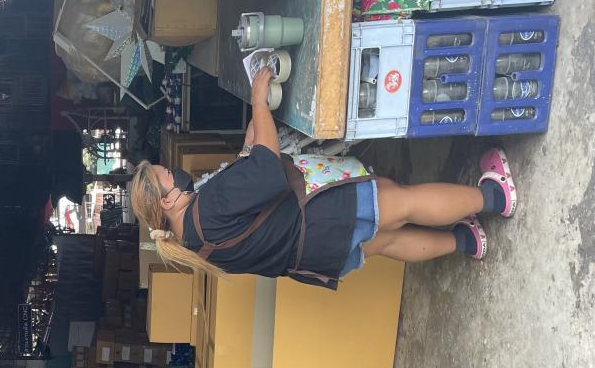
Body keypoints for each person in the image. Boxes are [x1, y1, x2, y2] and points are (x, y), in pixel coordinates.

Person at [129, 66, 517, 288]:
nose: (175, 172)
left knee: (390, 240)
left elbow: (248, 210)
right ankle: (495, 196)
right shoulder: (206, 210)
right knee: (404, 202)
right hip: (324, 215)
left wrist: (247, 151)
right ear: (167, 200)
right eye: (168, 175)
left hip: (318, 253)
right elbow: (267, 172)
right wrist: (259, 103)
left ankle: (466, 240)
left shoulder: (192, 243)